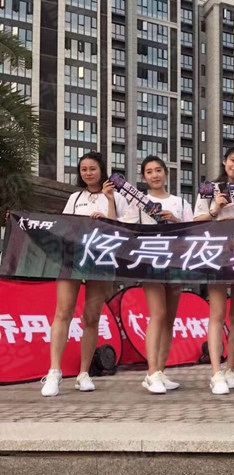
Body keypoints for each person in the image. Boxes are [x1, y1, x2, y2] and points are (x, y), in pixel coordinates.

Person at [41, 152, 128, 397]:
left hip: (101, 261)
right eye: (84, 169)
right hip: (73, 259)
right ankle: (54, 372)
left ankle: (84, 373)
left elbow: (121, 230)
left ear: (102, 170)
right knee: (63, 312)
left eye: (93, 168)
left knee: (91, 317)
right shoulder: (75, 198)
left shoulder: (117, 197)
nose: (88, 173)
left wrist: (108, 204)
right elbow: (63, 227)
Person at [193, 145, 234, 395]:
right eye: (232, 160)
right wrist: (215, 210)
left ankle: (230, 369)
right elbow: (196, 220)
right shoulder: (209, 189)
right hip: (216, 254)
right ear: (224, 161)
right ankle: (216, 372)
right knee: (217, 313)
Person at [138, 156, 193, 394]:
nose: (155, 175)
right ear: (144, 177)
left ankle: (160, 370)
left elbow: (193, 232)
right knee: (158, 314)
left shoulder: (180, 202)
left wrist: (175, 220)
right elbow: (126, 227)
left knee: (170, 318)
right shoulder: (139, 202)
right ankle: (151, 373)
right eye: (149, 172)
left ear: (166, 173)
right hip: (150, 261)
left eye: (158, 170)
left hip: (176, 262)